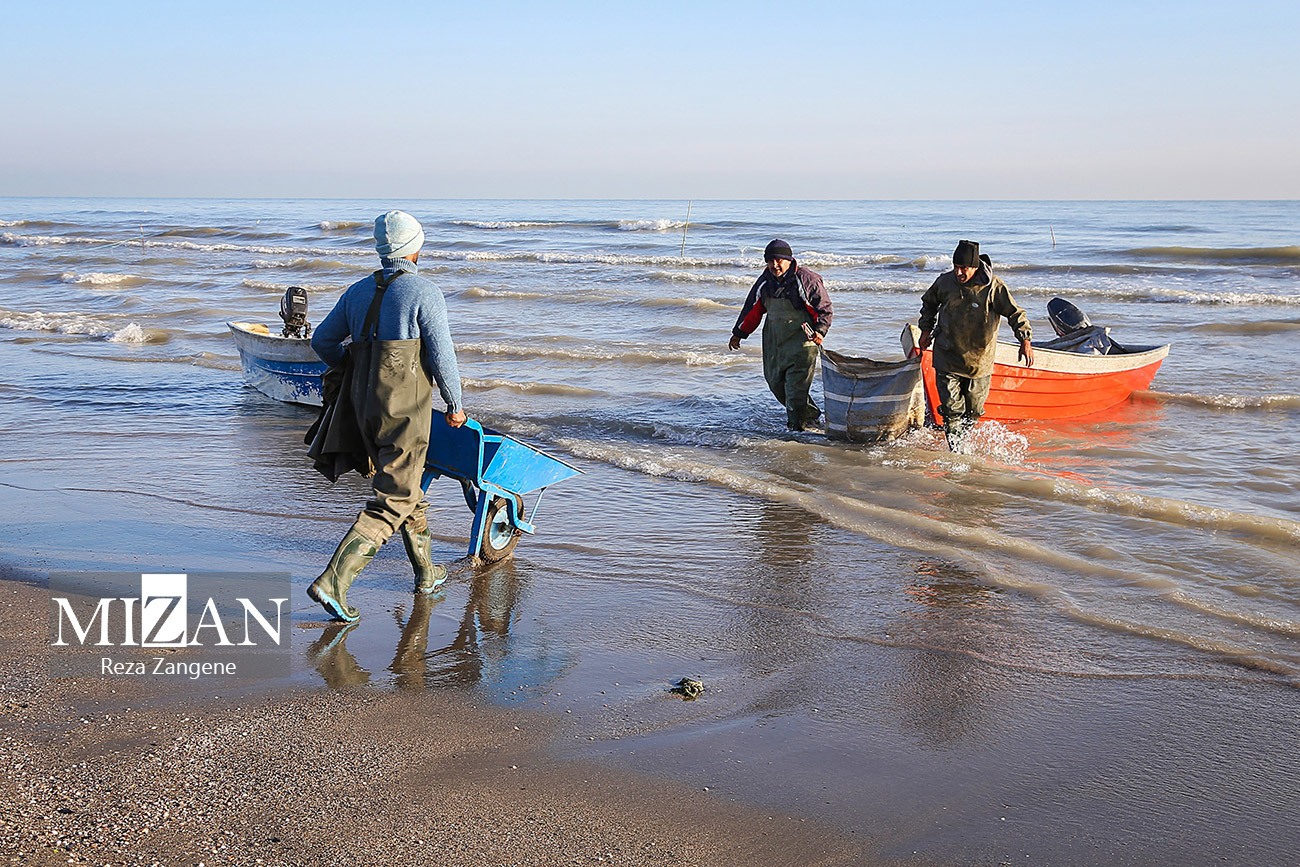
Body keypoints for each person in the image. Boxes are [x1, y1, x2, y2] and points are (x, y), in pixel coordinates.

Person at [307, 210, 466, 622]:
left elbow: (322, 341)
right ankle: (334, 581)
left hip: (361, 409)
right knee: (395, 495)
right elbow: (442, 356)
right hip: (402, 412)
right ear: (415, 247)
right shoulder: (424, 292)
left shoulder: (357, 292)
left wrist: (351, 364)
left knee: (406, 485)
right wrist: (454, 404)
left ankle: (427, 573)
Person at [917, 239, 1033, 451]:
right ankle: (957, 451)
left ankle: (963, 442)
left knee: (974, 412)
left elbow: (1015, 313)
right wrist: (925, 330)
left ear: (975, 267)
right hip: (947, 356)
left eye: (964, 268)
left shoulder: (993, 287)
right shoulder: (945, 282)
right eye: (956, 267)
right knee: (951, 410)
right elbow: (929, 303)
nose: (959, 272)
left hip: (979, 361)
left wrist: (1025, 339)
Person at [728, 239, 833, 431]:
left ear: (789, 260)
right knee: (775, 383)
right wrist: (739, 333)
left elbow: (823, 308)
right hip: (774, 342)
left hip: (802, 344)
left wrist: (820, 331)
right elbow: (752, 309)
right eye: (770, 261)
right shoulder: (765, 281)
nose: (774, 265)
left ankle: (797, 430)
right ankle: (810, 416)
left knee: (795, 389)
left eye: (779, 260)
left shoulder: (806, 279)